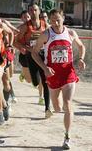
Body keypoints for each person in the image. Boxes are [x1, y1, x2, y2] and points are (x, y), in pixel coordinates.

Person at [32, 9, 86, 149]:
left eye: (58, 20)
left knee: (68, 104)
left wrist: (80, 58)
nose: (55, 23)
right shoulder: (46, 35)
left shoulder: (70, 33)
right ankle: (57, 107)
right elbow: (34, 53)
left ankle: (67, 137)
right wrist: (44, 68)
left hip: (68, 74)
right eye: (53, 20)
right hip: (53, 75)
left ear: (63, 19)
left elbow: (81, 47)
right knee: (57, 108)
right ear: (49, 21)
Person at [15, 4, 52, 118]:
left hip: (42, 55)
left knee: (46, 82)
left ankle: (47, 109)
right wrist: (26, 48)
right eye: (30, 10)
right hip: (31, 56)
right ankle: (27, 74)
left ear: (39, 11)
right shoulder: (25, 27)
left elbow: (52, 37)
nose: (33, 12)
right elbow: (15, 41)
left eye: (35, 10)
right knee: (35, 82)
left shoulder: (45, 25)